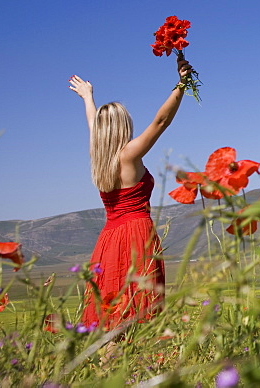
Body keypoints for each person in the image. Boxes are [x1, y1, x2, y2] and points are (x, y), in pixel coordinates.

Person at [68, 56, 192, 331]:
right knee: (138, 302)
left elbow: (92, 125)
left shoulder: (98, 155)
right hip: (136, 234)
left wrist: (88, 98)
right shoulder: (128, 154)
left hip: (108, 240)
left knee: (112, 302)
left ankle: (106, 360)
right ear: (123, 126)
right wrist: (182, 84)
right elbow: (160, 122)